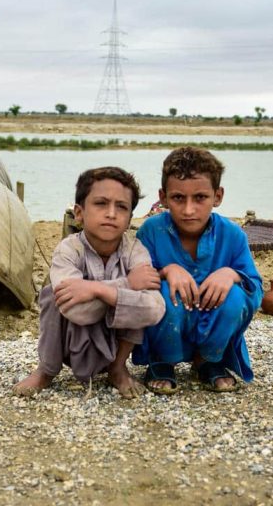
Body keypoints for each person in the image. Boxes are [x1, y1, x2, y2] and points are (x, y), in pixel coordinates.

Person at [13, 166, 165, 398]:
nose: (111, 213)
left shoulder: (136, 251)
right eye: (101, 203)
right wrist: (126, 287)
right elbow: (77, 311)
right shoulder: (68, 249)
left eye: (121, 207)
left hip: (115, 342)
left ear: (129, 219)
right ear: (79, 213)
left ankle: (117, 368)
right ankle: (46, 369)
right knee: (52, 294)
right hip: (74, 341)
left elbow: (155, 309)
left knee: (141, 305)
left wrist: (94, 289)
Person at [132, 147, 263, 394]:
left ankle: (210, 361)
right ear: (163, 197)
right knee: (157, 292)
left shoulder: (233, 235)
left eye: (200, 198)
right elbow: (135, 279)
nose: (189, 209)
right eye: (178, 198)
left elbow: (255, 287)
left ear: (218, 196)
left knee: (235, 296)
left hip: (212, 314)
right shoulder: (151, 231)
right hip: (169, 319)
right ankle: (162, 361)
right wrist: (166, 271)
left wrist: (231, 274)